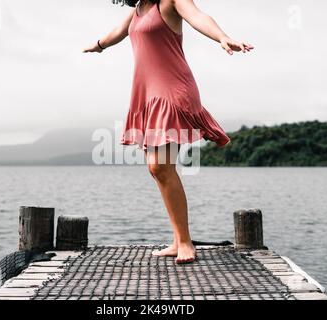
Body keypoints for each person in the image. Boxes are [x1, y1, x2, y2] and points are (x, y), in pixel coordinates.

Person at [83, 0, 253, 263]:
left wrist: (222, 37)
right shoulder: (139, 9)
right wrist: (99, 45)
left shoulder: (170, 2)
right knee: (159, 168)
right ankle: (178, 240)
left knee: (159, 166)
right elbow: (118, 31)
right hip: (148, 93)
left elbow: (198, 16)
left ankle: (185, 243)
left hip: (172, 89)